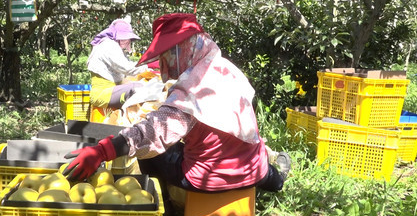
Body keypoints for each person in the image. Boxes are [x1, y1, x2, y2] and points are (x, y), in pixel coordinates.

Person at [64, 13, 290, 194]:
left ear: (184, 49)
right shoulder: (226, 69)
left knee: (151, 152)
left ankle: (165, 211)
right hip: (253, 166)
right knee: (261, 166)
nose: (166, 63)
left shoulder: (190, 91)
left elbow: (151, 133)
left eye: (169, 54)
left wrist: (102, 152)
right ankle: (276, 181)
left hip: (211, 178)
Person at [87, 18, 150, 109]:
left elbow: (125, 66)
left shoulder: (110, 44)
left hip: (111, 90)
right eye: (125, 38)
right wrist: (148, 65)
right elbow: (128, 69)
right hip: (103, 94)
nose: (127, 41)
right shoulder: (109, 45)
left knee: (137, 82)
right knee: (137, 88)